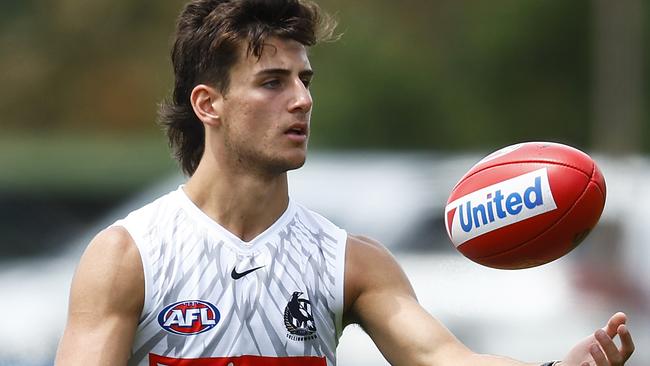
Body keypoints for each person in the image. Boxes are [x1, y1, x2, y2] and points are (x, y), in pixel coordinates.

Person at [55, 0, 635, 365]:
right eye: (272, 82)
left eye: (304, 79)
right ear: (209, 103)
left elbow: (446, 358)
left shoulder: (350, 262)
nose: (303, 99)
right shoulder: (129, 256)